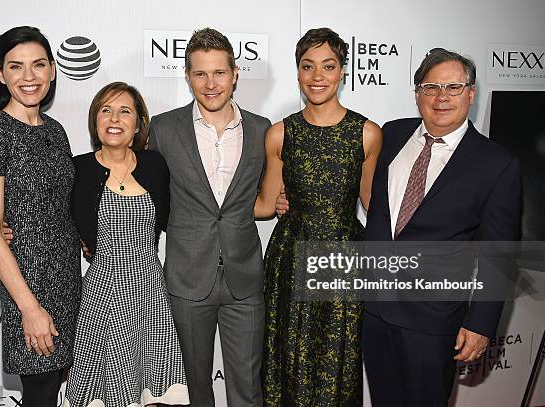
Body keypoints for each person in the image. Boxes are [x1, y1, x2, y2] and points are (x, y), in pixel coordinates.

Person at [361, 48, 521, 406]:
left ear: (471, 93)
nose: (441, 97)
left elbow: (500, 256)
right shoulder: (391, 135)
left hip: (432, 322)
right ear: (417, 93)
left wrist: (480, 324)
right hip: (374, 311)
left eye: (453, 87)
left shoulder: (496, 164)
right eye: (431, 87)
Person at [255, 27, 382, 406]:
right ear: (297, 72)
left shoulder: (367, 133)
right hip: (290, 259)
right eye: (308, 66)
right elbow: (264, 203)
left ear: (343, 71)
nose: (317, 77)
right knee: (287, 359)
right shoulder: (280, 134)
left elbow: (373, 206)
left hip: (343, 260)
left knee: (338, 360)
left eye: (328, 66)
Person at [147, 28, 271, 407]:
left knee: (247, 389)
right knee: (194, 389)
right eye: (200, 73)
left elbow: (269, 194)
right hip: (186, 277)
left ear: (235, 73)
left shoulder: (262, 128)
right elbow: (145, 197)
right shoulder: (163, 129)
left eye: (219, 72)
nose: (210, 83)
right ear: (187, 76)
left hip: (244, 279)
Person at [0, 26, 81, 406]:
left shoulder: (57, 131)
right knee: (41, 393)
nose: (28, 77)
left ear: (52, 70)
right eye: (16, 67)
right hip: (28, 286)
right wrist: (29, 309)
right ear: (0, 73)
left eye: (38, 65)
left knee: (54, 389)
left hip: (68, 279)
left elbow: (58, 206)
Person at [63, 82, 189, 406]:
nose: (114, 118)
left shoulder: (155, 166)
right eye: (105, 110)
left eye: (124, 111)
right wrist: (8, 227)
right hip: (103, 294)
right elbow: (52, 217)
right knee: (107, 393)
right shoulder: (78, 168)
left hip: (150, 293)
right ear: (95, 121)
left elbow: (180, 216)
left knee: (156, 392)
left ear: (137, 123)